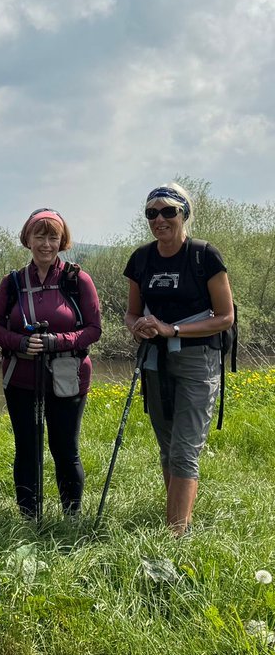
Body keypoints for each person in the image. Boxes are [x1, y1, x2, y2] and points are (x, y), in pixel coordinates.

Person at [124, 182, 234, 535]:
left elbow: (225, 317)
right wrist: (138, 327)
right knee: (168, 447)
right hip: (156, 361)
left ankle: (175, 536)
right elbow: (131, 313)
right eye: (152, 213)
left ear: (184, 214)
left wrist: (172, 330)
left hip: (198, 360)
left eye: (168, 211)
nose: (160, 219)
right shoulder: (141, 259)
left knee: (184, 450)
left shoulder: (204, 255)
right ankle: (175, 522)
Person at [0, 209, 102, 519]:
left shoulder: (78, 280)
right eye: (40, 236)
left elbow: (94, 330)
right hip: (21, 378)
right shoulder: (13, 282)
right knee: (27, 449)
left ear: (62, 241)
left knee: (65, 449)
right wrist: (19, 343)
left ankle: (71, 517)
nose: (46, 244)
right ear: (28, 239)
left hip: (68, 378)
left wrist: (56, 342)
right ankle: (29, 518)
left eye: (53, 237)